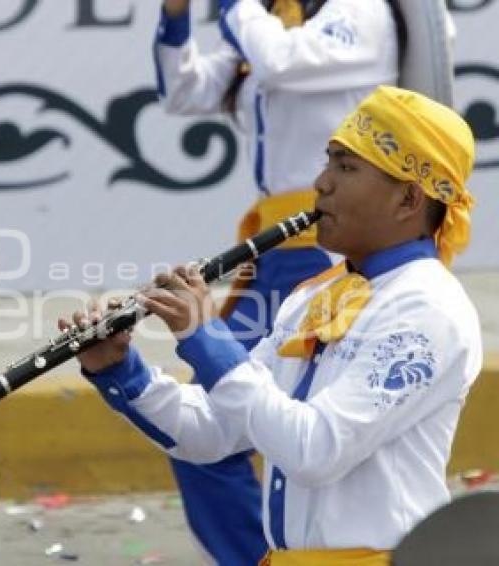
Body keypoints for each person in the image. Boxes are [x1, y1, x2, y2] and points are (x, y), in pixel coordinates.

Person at [66, 85, 481, 564]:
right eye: (328, 162)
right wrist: (121, 373)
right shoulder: (312, 297)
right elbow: (212, 433)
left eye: (347, 168)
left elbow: (315, 449)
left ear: (408, 200)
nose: (321, 184)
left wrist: (206, 338)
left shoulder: (429, 310)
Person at [153, 0, 405, 562]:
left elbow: (281, 63)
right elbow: (183, 91)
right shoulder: (270, 17)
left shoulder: (360, 13)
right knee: (208, 419)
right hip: (274, 255)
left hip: (334, 252)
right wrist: (175, 17)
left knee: (315, 433)